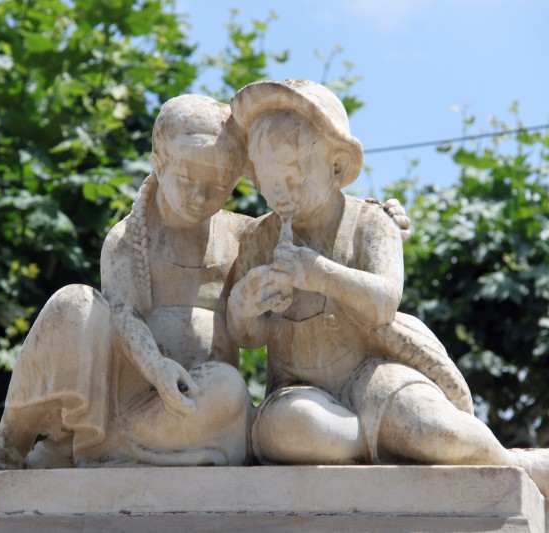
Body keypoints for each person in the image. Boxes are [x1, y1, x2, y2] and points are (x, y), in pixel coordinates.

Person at [226, 79, 548, 493]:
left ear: (336, 166)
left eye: (295, 178)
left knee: (435, 428)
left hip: (374, 375)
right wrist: (244, 308)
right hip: (299, 392)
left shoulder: (372, 223)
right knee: (289, 430)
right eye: (270, 184)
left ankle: (512, 464)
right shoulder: (258, 239)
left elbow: (384, 302)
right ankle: (378, 442)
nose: (282, 193)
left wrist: (320, 273)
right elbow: (249, 337)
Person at [0, 94, 254, 473]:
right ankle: (11, 443)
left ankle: (107, 449)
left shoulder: (243, 236)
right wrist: (157, 367)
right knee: (74, 303)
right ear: (158, 164)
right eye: (188, 178)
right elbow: (124, 314)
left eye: (218, 186)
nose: (199, 196)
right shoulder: (127, 238)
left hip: (196, 404)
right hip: (123, 400)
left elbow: (261, 326)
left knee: (229, 389)